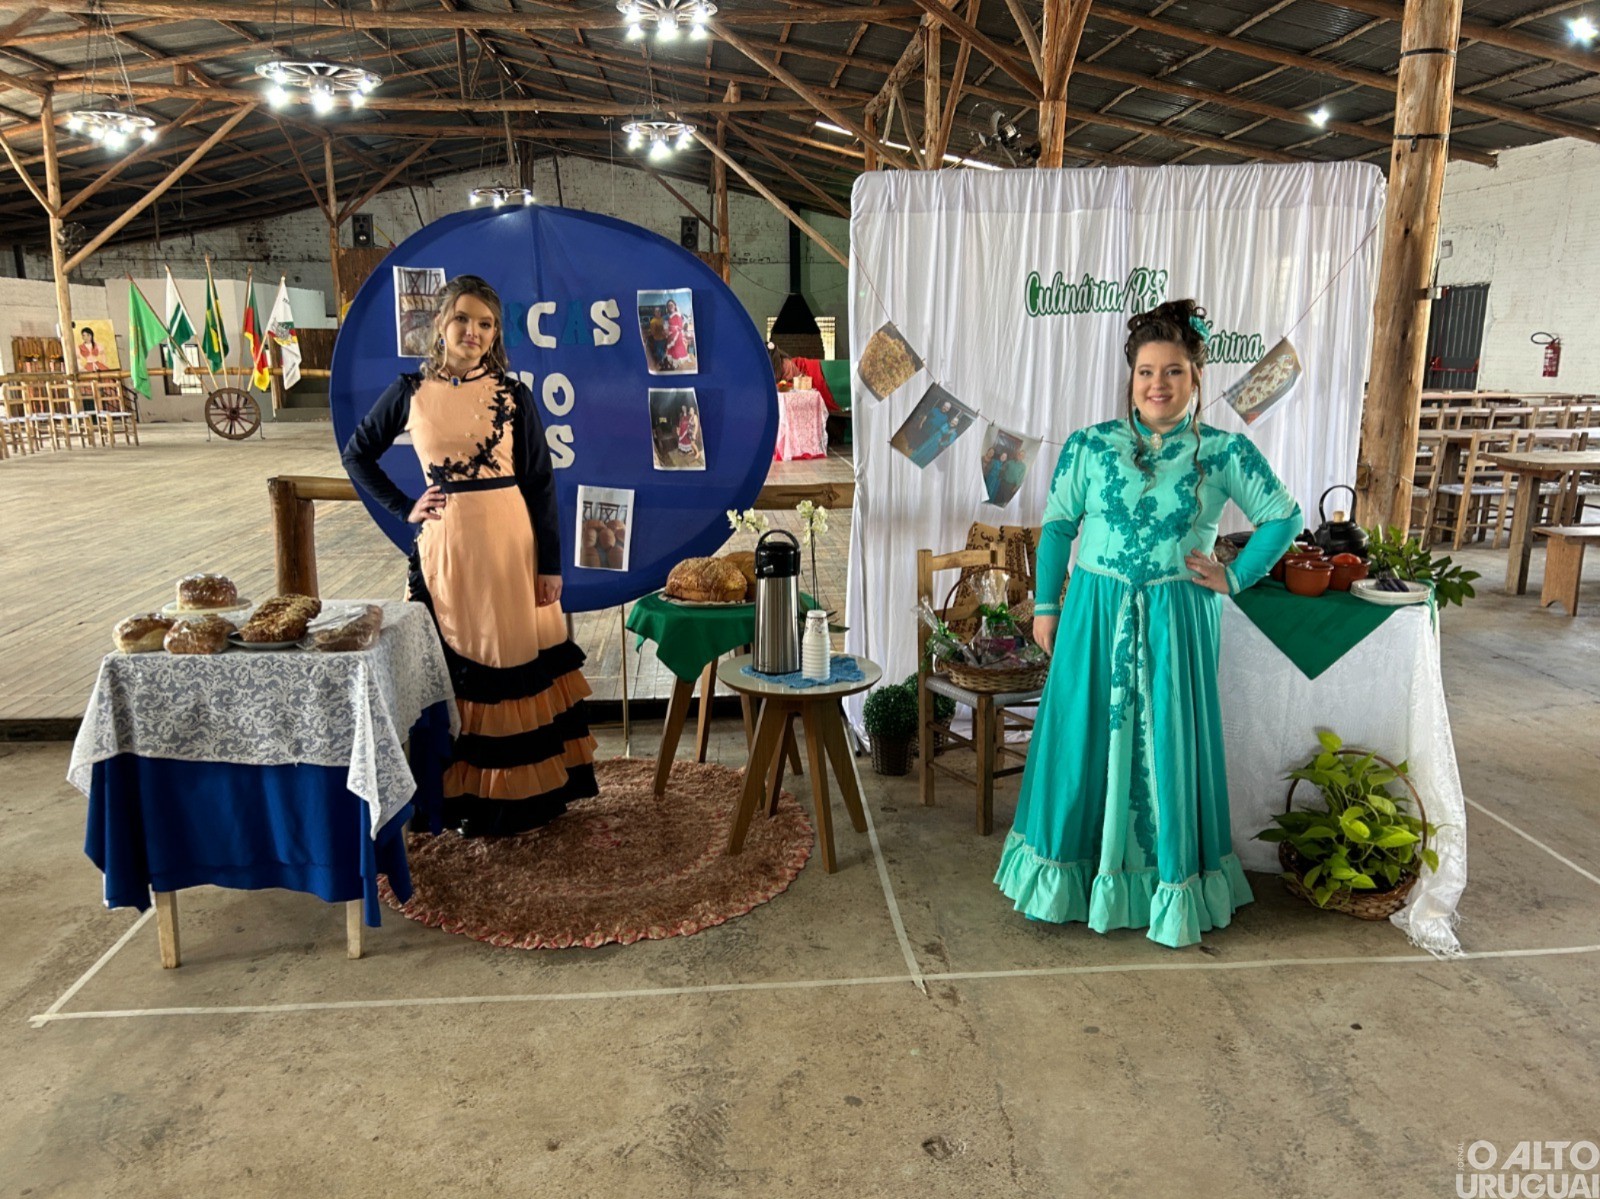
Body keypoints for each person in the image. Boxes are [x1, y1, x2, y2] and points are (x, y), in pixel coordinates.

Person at [994, 299, 1301, 948]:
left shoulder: (1220, 452)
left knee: (1166, 740)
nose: (1158, 384)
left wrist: (1236, 574)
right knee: (1082, 737)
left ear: (1196, 378)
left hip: (1176, 616)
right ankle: (1073, 879)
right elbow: (1055, 529)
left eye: (1174, 371)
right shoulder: (1089, 446)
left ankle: (1168, 887)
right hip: (1094, 614)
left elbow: (1283, 516)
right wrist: (1047, 606)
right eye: (1146, 372)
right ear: (1130, 378)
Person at [342, 275, 598, 837]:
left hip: (510, 545)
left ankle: (522, 802)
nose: (474, 332)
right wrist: (403, 505)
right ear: (439, 323)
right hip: (447, 551)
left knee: (512, 662)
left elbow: (539, 481)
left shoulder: (514, 394)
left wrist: (550, 565)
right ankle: (458, 799)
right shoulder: (409, 391)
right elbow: (358, 453)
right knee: (450, 667)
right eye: (463, 319)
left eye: (486, 324)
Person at [664, 299, 692, 369]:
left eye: (672, 305)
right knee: (673, 350)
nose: (670, 306)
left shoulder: (679, 314)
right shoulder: (667, 316)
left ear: (675, 305)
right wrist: (667, 330)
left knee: (678, 349)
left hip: (678, 335)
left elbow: (682, 325)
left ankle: (678, 363)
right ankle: (675, 364)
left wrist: (683, 335)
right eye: (669, 305)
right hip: (671, 335)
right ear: (667, 307)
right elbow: (666, 327)